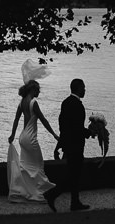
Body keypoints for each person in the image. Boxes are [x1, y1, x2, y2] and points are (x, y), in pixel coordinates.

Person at [6, 61, 59, 203]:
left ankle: (27, 190)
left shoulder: (21, 102)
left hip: (22, 137)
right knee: (38, 165)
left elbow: (16, 119)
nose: (39, 92)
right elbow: (44, 120)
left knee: (27, 166)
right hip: (30, 138)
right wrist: (54, 134)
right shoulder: (33, 103)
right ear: (32, 90)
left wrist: (12, 135)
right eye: (38, 90)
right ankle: (40, 191)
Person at [43, 78, 93, 212]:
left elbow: (63, 124)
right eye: (83, 88)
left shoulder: (65, 102)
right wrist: (89, 132)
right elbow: (77, 127)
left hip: (68, 144)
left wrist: (62, 143)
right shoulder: (77, 105)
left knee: (74, 174)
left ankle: (75, 202)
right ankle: (52, 194)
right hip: (76, 145)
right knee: (73, 175)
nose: (84, 90)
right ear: (78, 88)